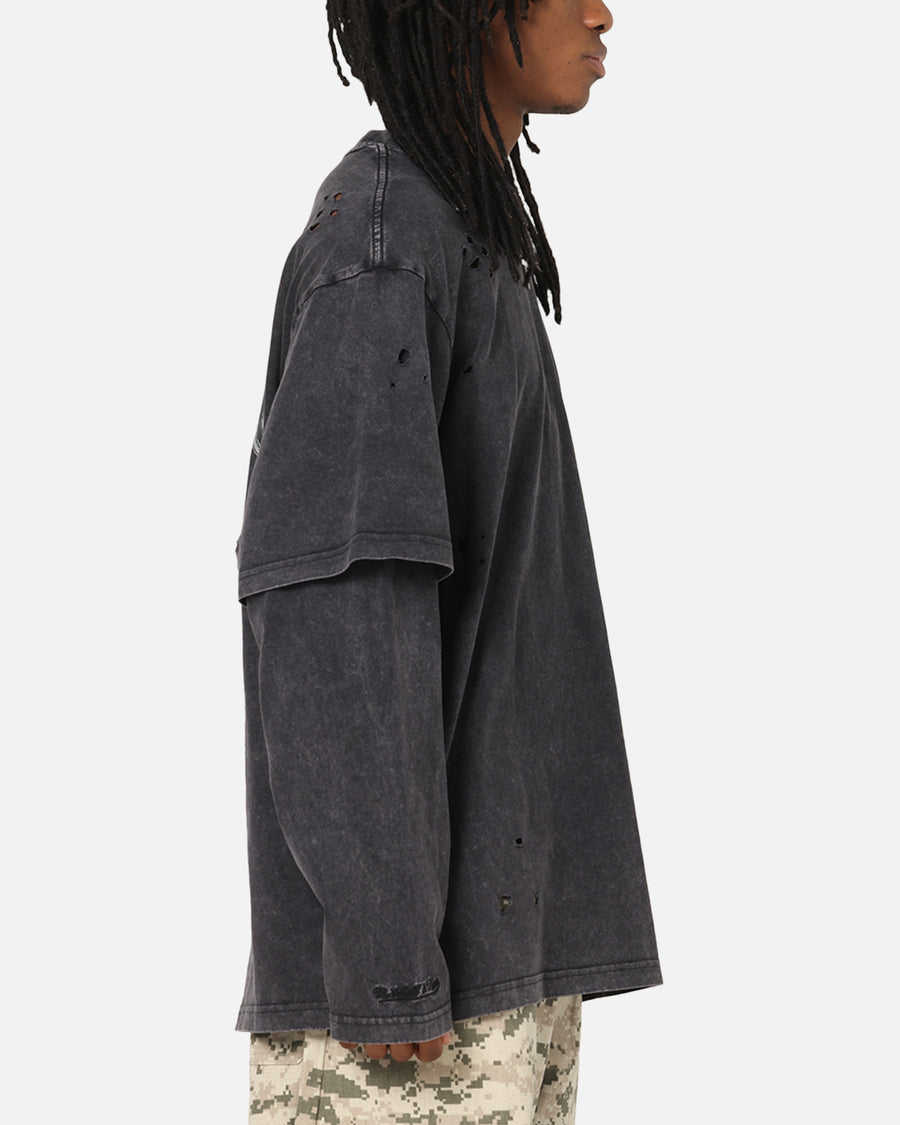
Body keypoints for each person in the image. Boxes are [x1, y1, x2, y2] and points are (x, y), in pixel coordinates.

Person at [235, 2, 662, 1121]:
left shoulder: (459, 230)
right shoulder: (383, 248)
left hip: (492, 954)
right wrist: (387, 953)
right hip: (418, 995)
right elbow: (339, 611)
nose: (603, 10)